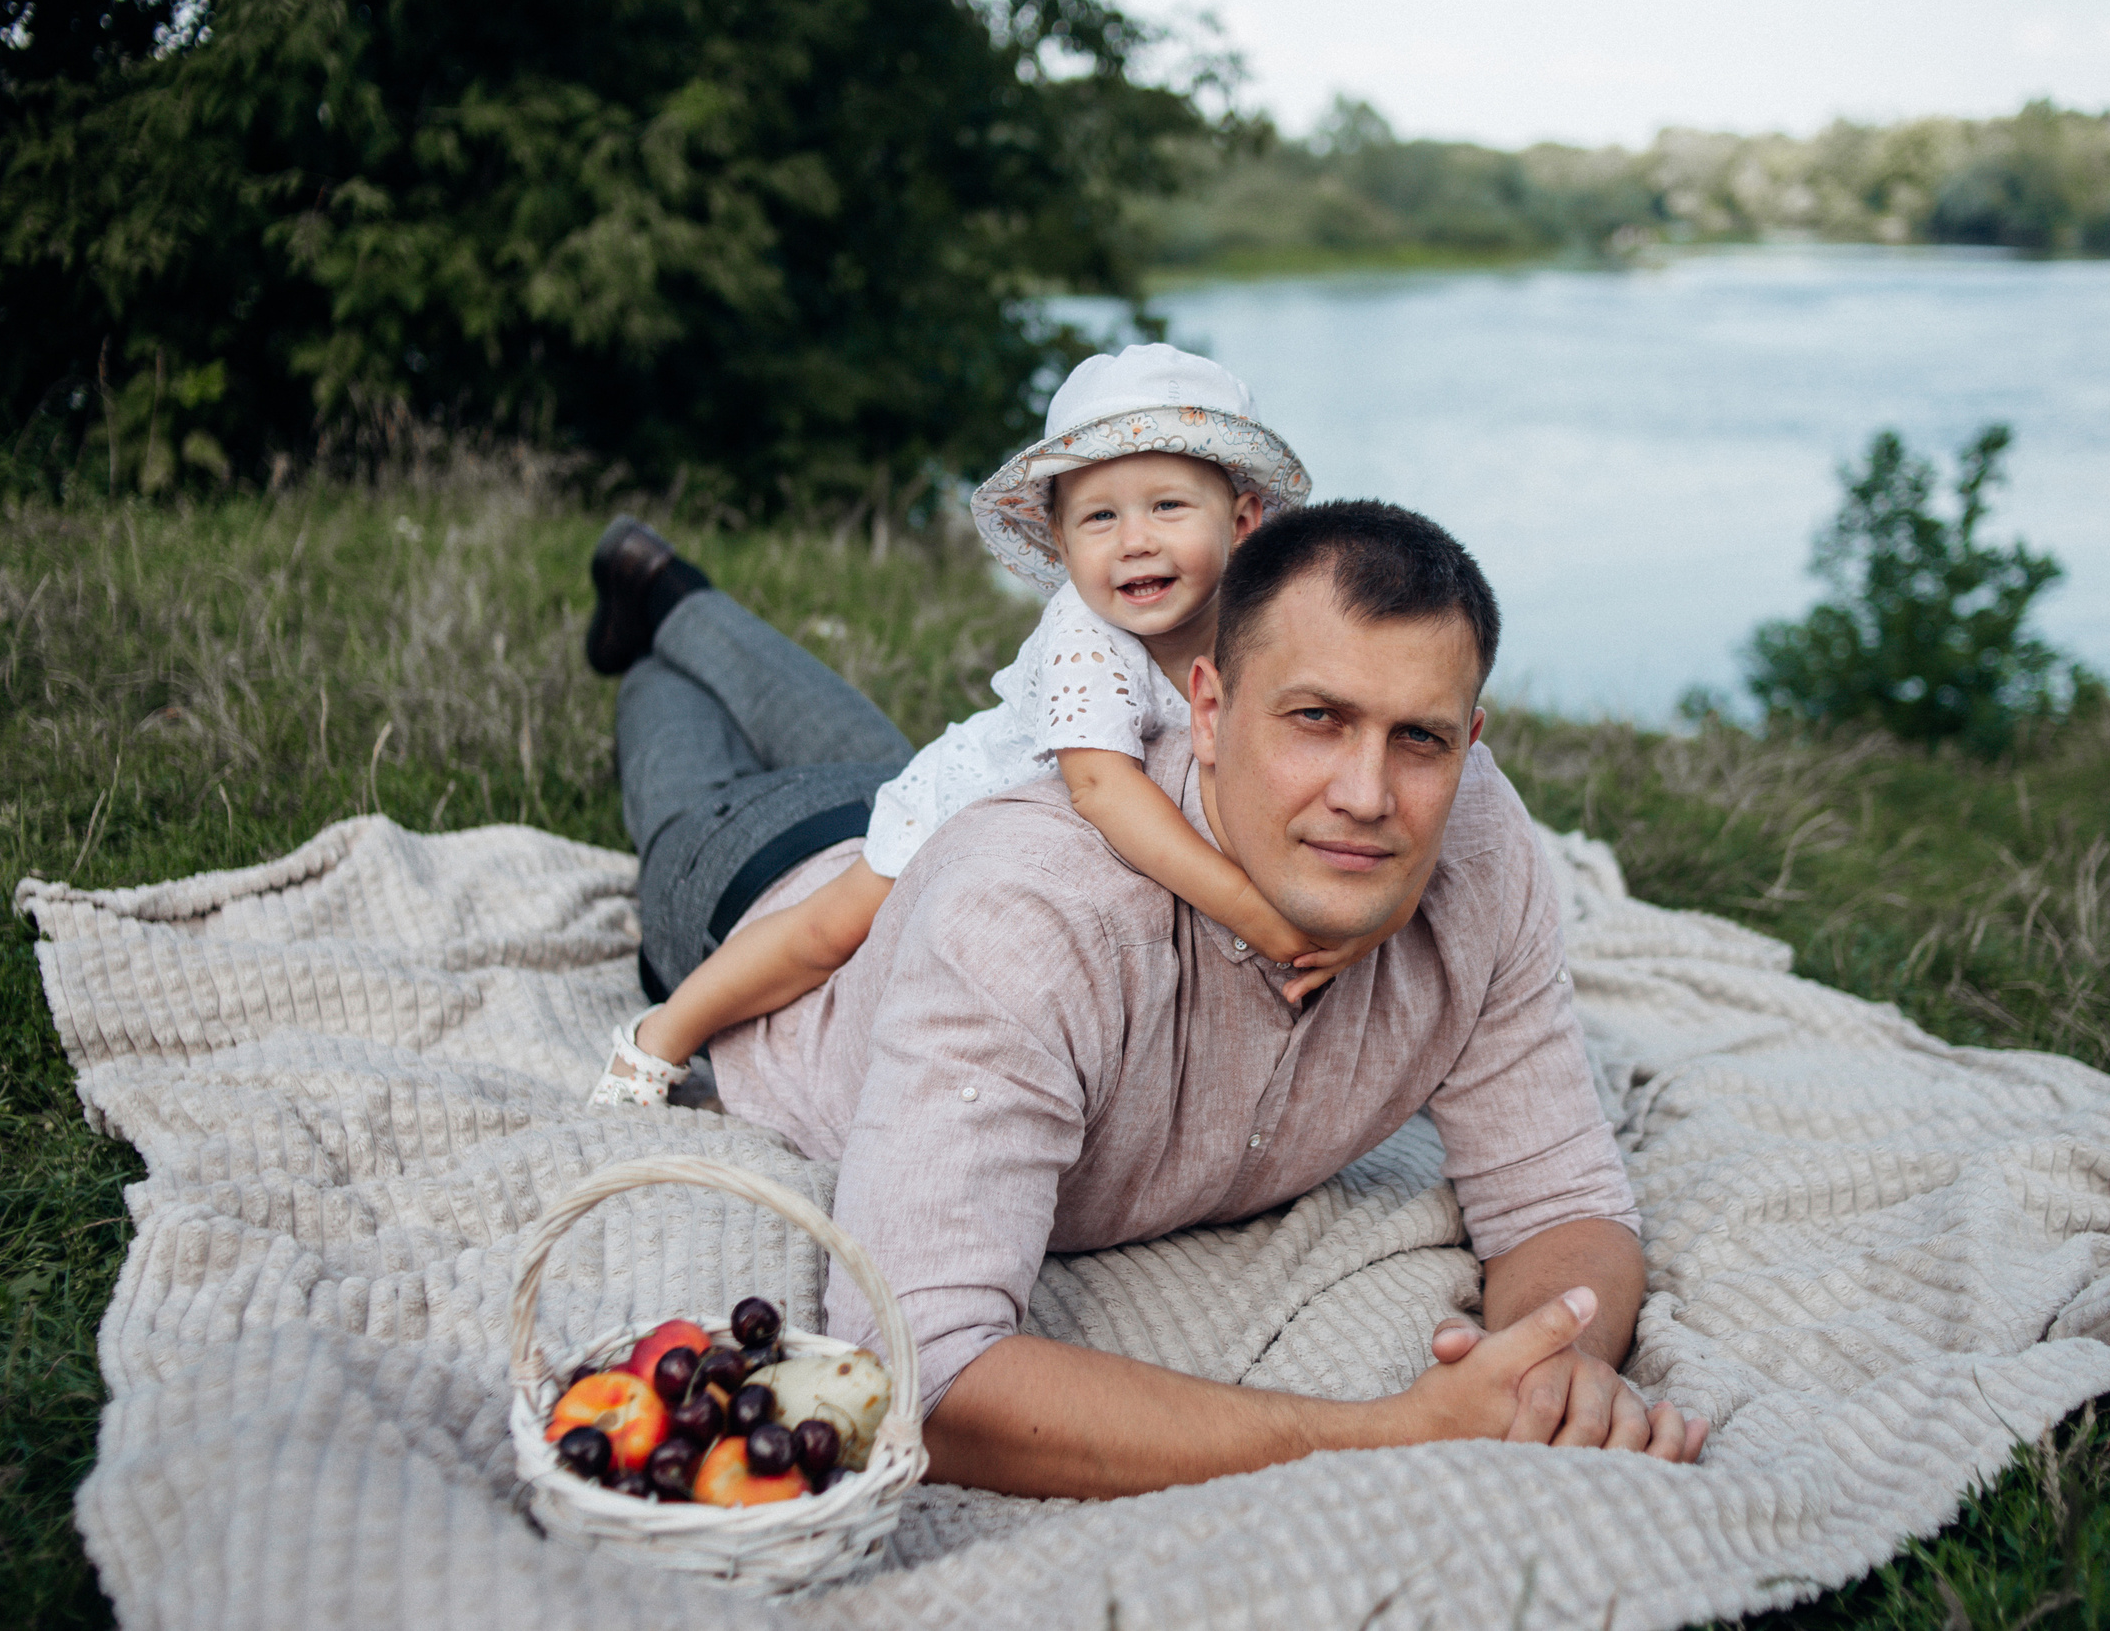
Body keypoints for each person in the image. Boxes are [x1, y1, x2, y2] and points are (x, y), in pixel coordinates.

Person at [588, 490, 1708, 1493]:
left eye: (1417, 738)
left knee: (873, 761)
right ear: (1208, 708)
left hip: (924, 807)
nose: (1368, 794)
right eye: (1314, 719)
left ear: (1470, 739)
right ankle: (658, 608)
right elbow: (916, 1374)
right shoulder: (1025, 917)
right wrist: (1388, 1434)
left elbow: (1564, 1200)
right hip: (761, 881)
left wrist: (1546, 1366)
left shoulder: (1481, 846)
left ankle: (674, 600)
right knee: (680, 749)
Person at [586, 344, 1392, 1107]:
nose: (1135, 541)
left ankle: (658, 607)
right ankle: (660, 1035)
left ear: (1245, 519)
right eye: (1099, 518)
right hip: (970, 802)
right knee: (826, 931)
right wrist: (1262, 918)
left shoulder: (1262, 622)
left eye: (1168, 506)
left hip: (1039, 839)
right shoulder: (1086, 631)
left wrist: (1370, 916)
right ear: (1060, 540)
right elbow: (1105, 790)